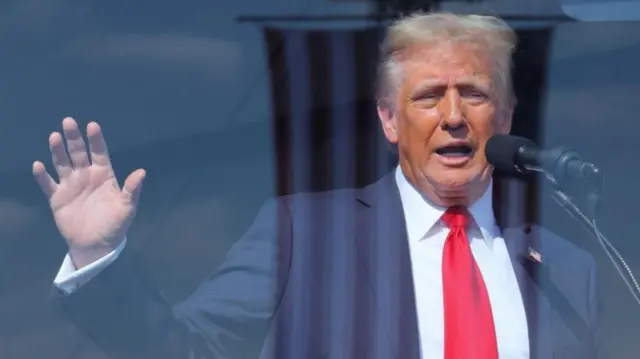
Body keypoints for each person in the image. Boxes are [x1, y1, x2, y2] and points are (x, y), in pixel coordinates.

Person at [34, 11, 605, 359]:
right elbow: (187, 350)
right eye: (429, 96)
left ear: (503, 118)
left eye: (474, 95)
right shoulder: (302, 233)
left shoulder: (566, 268)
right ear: (388, 119)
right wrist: (98, 256)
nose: (453, 116)